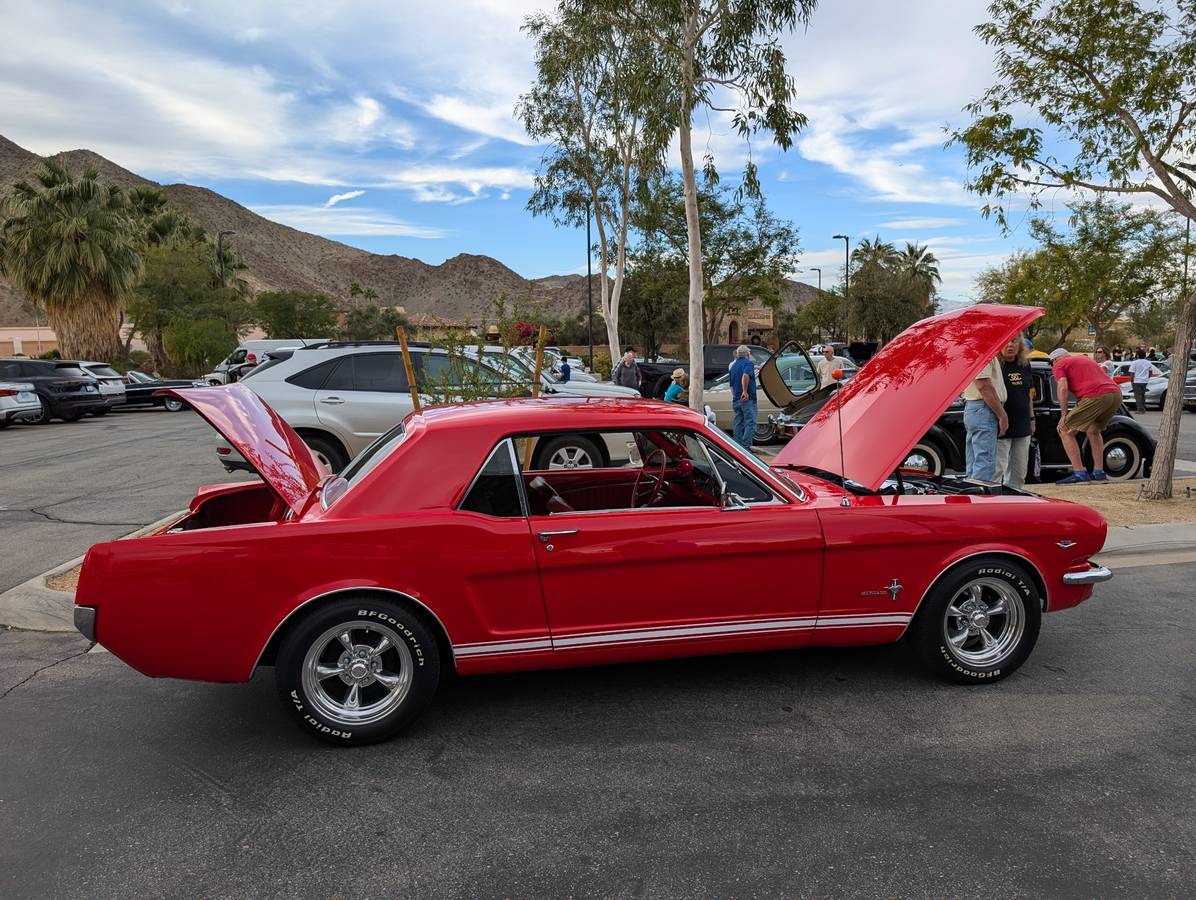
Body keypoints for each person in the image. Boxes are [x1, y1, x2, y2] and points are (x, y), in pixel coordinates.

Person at [1049, 347, 1122, 483]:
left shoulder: (1059, 364)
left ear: (1056, 359)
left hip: (1095, 395)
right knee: (1094, 430)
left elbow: (1062, 387)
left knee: (1065, 430)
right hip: (1115, 394)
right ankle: (1098, 472)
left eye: (1052, 362)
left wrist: (1064, 414)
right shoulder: (1086, 359)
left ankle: (1079, 472)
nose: (1053, 366)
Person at [994, 335, 1034, 489]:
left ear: (1020, 345)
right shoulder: (995, 365)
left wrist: (1032, 419)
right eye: (1006, 341)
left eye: (1014, 341)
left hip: (1023, 425)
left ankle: (1014, 500)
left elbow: (1028, 394)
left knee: (1019, 472)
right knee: (997, 470)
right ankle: (992, 504)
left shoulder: (1024, 365)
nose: (1010, 345)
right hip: (1001, 425)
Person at [961, 354, 1008, 481]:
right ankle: (979, 497)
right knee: (984, 461)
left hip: (977, 407)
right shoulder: (983, 353)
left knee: (974, 461)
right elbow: (983, 385)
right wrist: (1001, 414)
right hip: (984, 408)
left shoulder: (974, 351)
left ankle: (972, 492)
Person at [728, 345, 757, 448]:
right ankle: (745, 447)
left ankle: (737, 447)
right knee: (750, 423)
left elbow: (731, 385)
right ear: (747, 354)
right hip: (747, 398)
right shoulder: (748, 363)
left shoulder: (733, 366)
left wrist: (736, 395)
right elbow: (745, 375)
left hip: (736, 399)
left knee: (738, 423)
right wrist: (744, 391)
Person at [1128, 347, 1153, 412]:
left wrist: (1131, 381)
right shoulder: (1148, 363)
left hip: (1136, 381)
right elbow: (1150, 372)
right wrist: (1147, 377)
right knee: (1142, 395)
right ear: (1145, 355)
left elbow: (1132, 373)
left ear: (1138, 355)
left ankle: (1139, 409)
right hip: (1144, 381)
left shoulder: (1134, 363)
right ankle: (1143, 407)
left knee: (1137, 395)